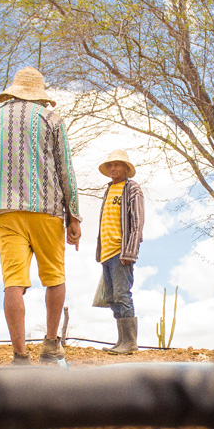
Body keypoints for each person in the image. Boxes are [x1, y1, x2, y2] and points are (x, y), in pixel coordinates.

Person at [0, 67, 82, 365]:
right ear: (39, 95)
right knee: (54, 277)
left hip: (4, 210)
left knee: (13, 282)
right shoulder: (52, 119)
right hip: (46, 208)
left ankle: (20, 356)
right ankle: (51, 344)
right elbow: (65, 169)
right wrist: (73, 215)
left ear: (13, 91)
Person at [95, 149, 145, 354]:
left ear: (126, 168)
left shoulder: (131, 188)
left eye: (117, 165)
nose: (113, 168)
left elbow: (137, 222)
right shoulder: (108, 190)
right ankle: (122, 340)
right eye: (110, 165)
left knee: (122, 294)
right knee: (112, 297)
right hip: (106, 252)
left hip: (120, 251)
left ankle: (130, 342)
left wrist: (130, 252)